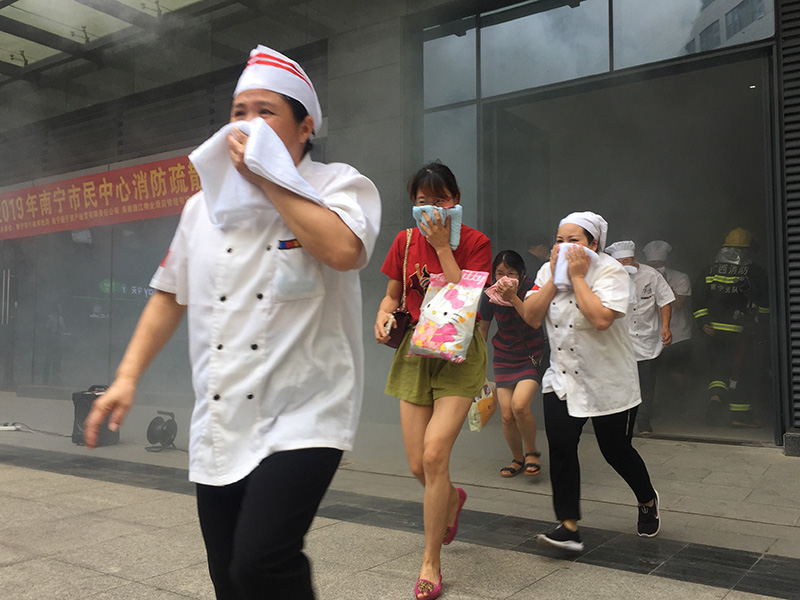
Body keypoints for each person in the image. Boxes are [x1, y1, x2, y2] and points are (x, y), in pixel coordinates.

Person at [83, 44, 381, 600]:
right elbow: (169, 296)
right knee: (228, 577)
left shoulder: (338, 185)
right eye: (239, 112)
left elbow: (344, 250)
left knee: (262, 562)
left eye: (266, 112)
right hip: (222, 418)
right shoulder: (203, 208)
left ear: (305, 127)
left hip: (306, 412)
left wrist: (269, 179)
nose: (247, 125)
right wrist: (126, 377)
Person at [375, 162, 491, 600]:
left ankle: (430, 562)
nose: (431, 209)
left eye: (439, 200)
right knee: (417, 465)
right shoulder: (404, 241)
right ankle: (451, 500)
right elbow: (392, 293)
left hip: (458, 353)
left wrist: (443, 246)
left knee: (434, 453)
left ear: (456, 200)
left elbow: (462, 295)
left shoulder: (476, 242)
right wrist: (383, 316)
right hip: (415, 352)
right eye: (422, 202)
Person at [520, 211, 660, 552]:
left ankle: (647, 499)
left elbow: (600, 319)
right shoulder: (547, 270)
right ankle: (568, 526)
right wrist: (555, 277)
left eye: (574, 240)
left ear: (593, 244)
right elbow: (532, 316)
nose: (564, 247)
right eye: (559, 240)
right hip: (562, 378)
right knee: (562, 448)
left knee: (616, 451)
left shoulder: (612, 272)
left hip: (608, 381)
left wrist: (578, 277)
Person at [477, 250, 546, 478]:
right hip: (504, 356)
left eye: (511, 273)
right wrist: (477, 362)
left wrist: (513, 297)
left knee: (520, 405)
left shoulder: (531, 289)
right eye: (499, 273)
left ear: (522, 273)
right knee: (506, 415)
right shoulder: (489, 295)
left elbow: (534, 321)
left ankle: (532, 453)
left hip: (530, 355)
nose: (505, 279)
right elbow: (483, 328)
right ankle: (517, 458)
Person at [693, 227, 769, 427]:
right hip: (742, 332)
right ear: (748, 250)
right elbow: (764, 303)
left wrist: (703, 322)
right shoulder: (755, 272)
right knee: (742, 371)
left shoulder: (709, 270)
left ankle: (716, 397)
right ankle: (740, 415)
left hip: (713, 331)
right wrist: (764, 326)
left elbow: (698, 298)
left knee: (719, 369)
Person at [606, 240, 674, 434]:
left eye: (626, 261)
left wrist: (666, 326)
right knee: (622, 383)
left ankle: (643, 421)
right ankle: (620, 421)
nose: (623, 266)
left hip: (647, 339)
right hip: (620, 340)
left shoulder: (651, 275)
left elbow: (665, 301)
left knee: (646, 383)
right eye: (618, 263)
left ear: (634, 259)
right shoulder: (608, 277)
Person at [643, 240, 693, 412]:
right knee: (653, 374)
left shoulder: (680, 278)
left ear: (667, 263)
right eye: (652, 265)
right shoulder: (643, 279)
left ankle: (682, 406)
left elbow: (679, 304)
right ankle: (652, 408)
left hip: (679, 334)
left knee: (676, 373)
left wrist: (663, 284)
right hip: (653, 335)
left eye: (659, 264)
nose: (656, 268)